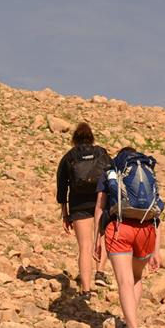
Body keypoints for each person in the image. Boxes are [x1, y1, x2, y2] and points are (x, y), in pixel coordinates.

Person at [94, 147, 164, 328]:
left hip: (120, 228)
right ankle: (129, 324)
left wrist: (97, 238)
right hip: (147, 230)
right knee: (135, 277)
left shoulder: (111, 171)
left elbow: (100, 207)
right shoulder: (148, 173)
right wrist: (157, 250)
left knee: (124, 281)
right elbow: (157, 212)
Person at [56, 123, 112, 299]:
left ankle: (86, 290)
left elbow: (61, 186)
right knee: (101, 237)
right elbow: (112, 176)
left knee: (85, 246)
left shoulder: (69, 156)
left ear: (74, 139)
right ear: (91, 137)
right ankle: (100, 272)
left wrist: (65, 213)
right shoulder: (101, 153)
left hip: (78, 204)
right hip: (101, 200)